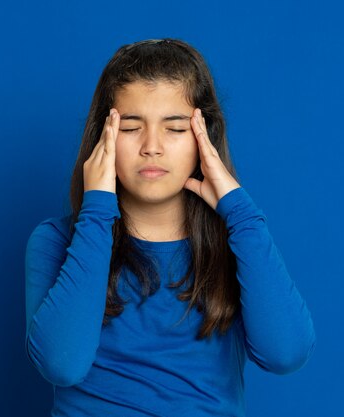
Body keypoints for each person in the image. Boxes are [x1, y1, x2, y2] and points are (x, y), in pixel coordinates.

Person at [24, 38, 316, 417]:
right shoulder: (56, 242)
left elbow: (286, 353)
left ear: (202, 140)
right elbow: (62, 364)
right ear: (103, 138)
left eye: (175, 129)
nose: (152, 147)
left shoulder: (235, 243)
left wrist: (241, 214)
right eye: (130, 127)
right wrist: (96, 211)